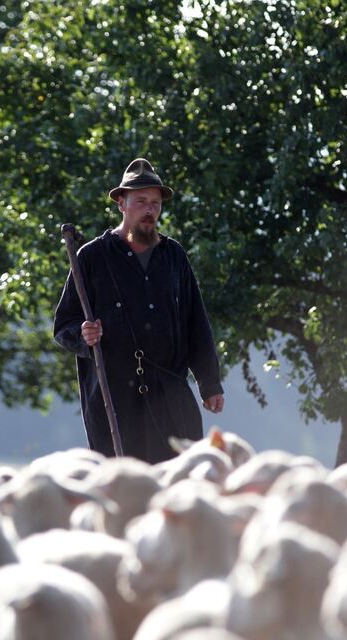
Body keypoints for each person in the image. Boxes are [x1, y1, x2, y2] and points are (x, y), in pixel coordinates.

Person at [53, 158, 224, 464]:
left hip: (170, 396)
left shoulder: (174, 256)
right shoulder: (91, 257)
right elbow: (64, 324)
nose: (149, 211)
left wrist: (210, 384)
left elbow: (196, 323)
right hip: (115, 400)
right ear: (122, 203)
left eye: (155, 204)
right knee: (123, 487)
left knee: (179, 481)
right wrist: (83, 334)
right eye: (141, 202)